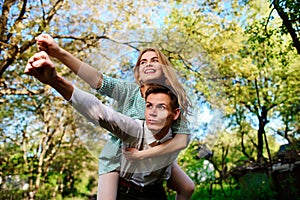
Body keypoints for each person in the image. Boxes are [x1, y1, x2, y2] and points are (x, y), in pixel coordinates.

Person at [35, 34, 195, 200]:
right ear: (138, 71)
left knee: (187, 187)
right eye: (143, 62)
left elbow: (181, 140)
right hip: (120, 157)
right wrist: (59, 53)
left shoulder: (171, 99)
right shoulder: (129, 92)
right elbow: (97, 80)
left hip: (152, 154)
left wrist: (148, 157)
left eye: (154, 60)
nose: (148, 64)